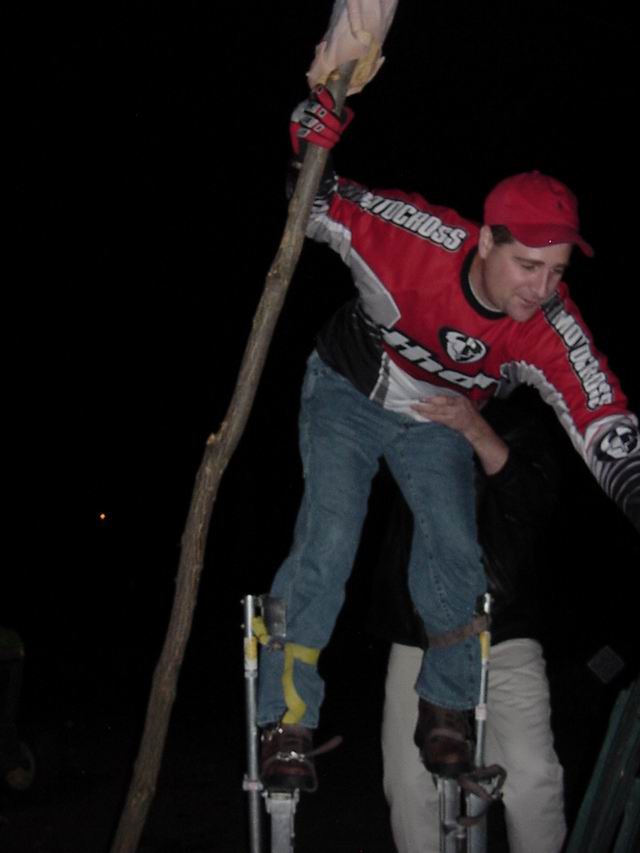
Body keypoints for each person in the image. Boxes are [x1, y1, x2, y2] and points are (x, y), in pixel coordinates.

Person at [257, 86, 640, 792]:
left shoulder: (548, 323)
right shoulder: (413, 241)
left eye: (557, 271)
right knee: (329, 537)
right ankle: (287, 719)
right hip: (347, 389)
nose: (542, 288)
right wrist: (310, 135)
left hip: (435, 415)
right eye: (528, 265)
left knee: (457, 549)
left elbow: (602, 417)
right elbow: (315, 201)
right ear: (487, 240)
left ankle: (445, 709)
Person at [372, 400, 566, 853]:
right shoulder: (410, 401)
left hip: (504, 627)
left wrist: (472, 426)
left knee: (533, 776)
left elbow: (532, 500)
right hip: (420, 634)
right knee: (407, 781)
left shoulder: (519, 416)